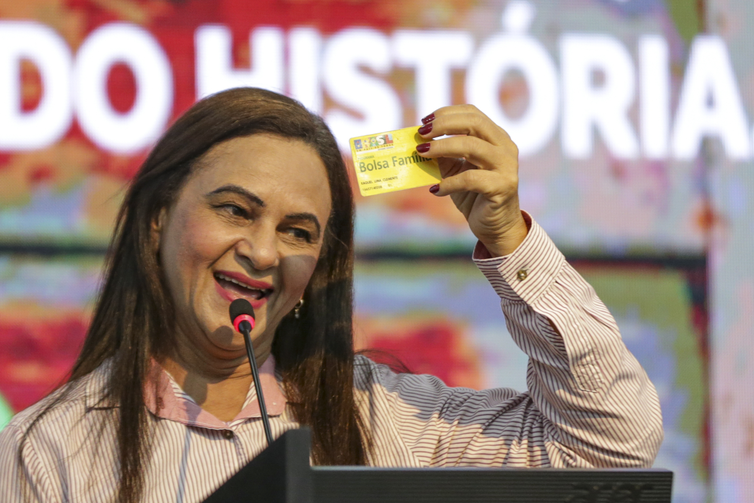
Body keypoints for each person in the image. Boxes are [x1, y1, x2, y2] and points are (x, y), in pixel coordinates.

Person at [0, 87, 663, 502]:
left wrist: (509, 237)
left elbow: (609, 445)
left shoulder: (382, 417)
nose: (263, 251)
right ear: (157, 219)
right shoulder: (46, 451)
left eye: (297, 231)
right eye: (234, 210)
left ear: (317, 271)